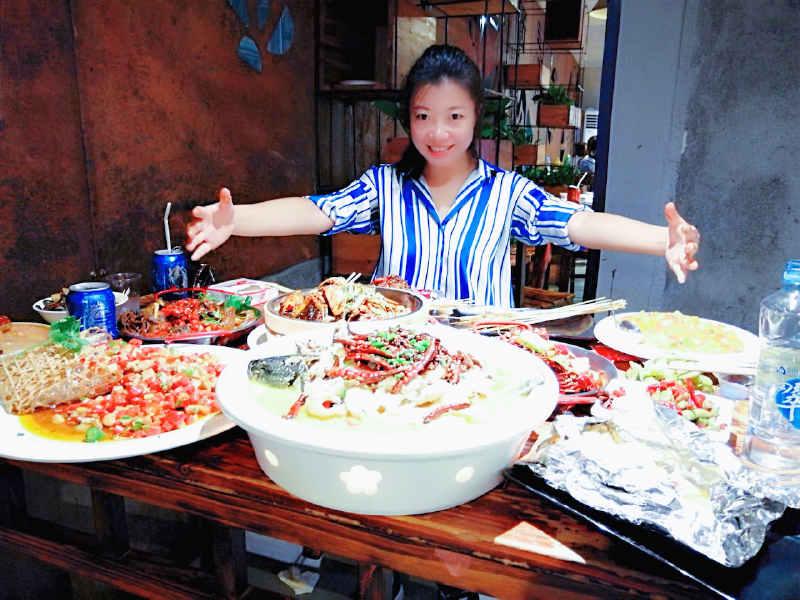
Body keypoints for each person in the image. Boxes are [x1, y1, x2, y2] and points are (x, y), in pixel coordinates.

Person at [187, 44, 699, 308]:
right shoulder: (385, 187)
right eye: (423, 115)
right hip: (392, 360)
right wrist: (238, 220)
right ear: (408, 116)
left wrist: (662, 240)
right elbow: (319, 211)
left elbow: (580, 226)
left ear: (475, 117)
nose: (437, 133)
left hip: (484, 368)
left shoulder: (508, 194)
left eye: (454, 117)